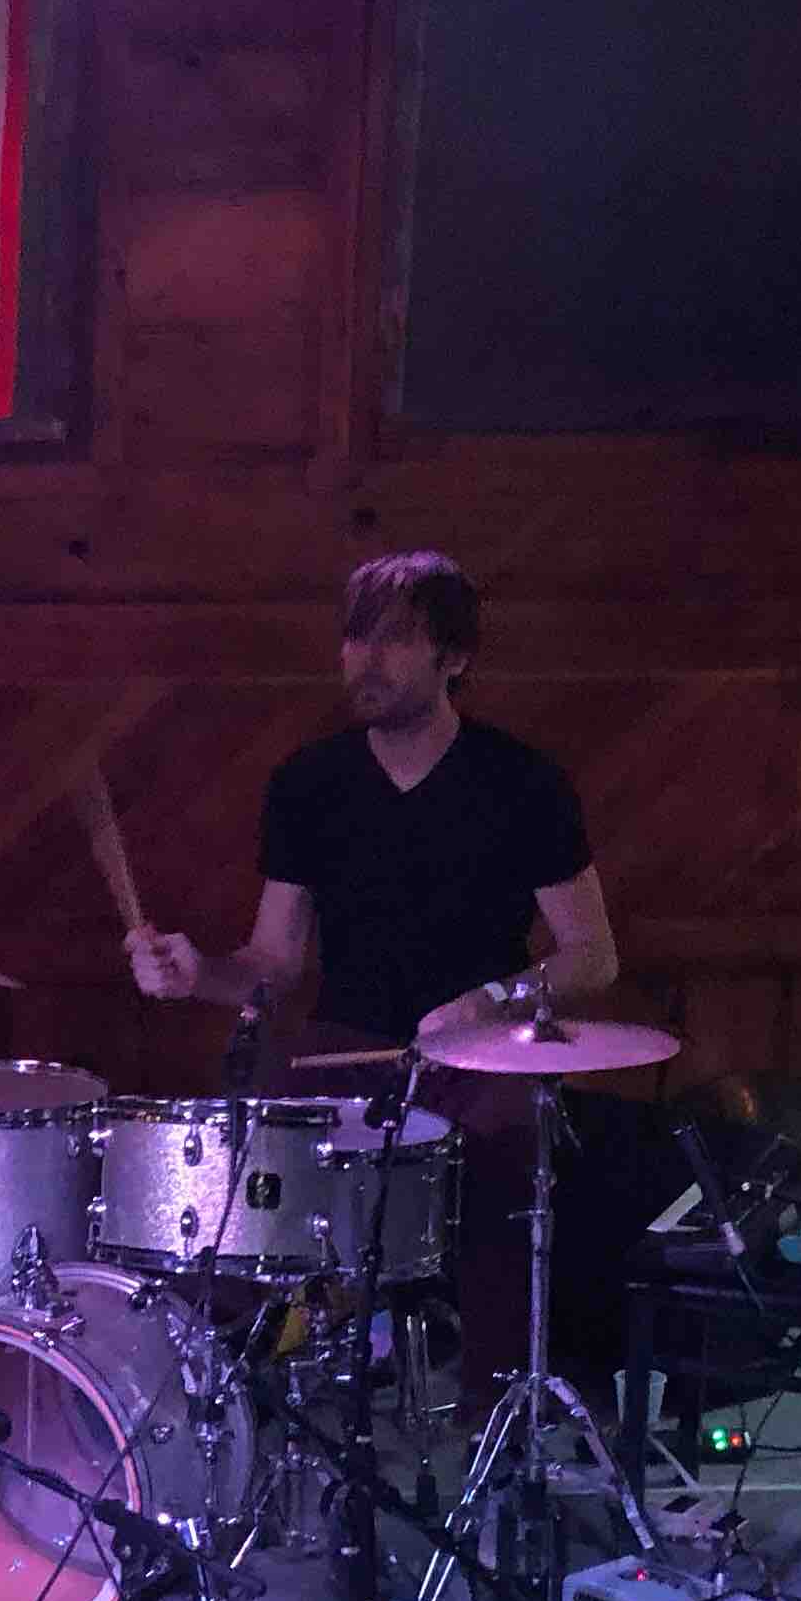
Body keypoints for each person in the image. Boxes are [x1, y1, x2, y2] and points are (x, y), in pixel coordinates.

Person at [124, 549, 621, 1409]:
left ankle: (497, 1416)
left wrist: (492, 1000)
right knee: (245, 1165)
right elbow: (275, 965)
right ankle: (232, 1408)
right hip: (343, 1052)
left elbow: (592, 956)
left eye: (393, 640)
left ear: (453, 658)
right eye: (356, 638)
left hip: (479, 1058)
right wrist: (196, 972)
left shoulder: (523, 783)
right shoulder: (309, 784)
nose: (365, 660)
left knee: (515, 1151)